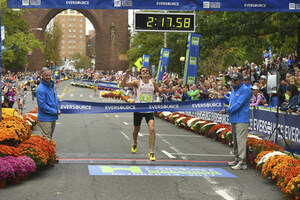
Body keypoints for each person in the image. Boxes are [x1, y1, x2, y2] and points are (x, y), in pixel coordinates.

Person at [120, 67, 164, 161]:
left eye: (146, 71)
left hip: (149, 110)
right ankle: (135, 143)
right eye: (143, 71)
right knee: (136, 130)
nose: (145, 72)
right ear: (140, 74)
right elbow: (123, 84)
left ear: (149, 74)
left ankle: (151, 152)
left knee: (152, 129)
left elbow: (159, 90)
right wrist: (126, 75)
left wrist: (166, 90)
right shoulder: (137, 82)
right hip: (138, 109)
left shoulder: (153, 83)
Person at [219, 72, 252, 170]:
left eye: (235, 80)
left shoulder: (245, 90)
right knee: (235, 140)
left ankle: (242, 163)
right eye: (233, 80)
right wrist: (223, 98)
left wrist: (227, 110)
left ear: (241, 80)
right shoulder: (234, 90)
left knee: (241, 141)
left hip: (241, 118)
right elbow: (231, 102)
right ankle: (237, 159)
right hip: (234, 118)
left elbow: (238, 104)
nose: (233, 82)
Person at [36, 67, 61, 142]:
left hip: (52, 116)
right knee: (46, 139)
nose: (48, 77)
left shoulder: (51, 84)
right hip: (45, 118)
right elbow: (42, 106)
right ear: (42, 76)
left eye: (50, 75)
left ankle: (49, 153)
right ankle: (46, 153)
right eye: (46, 75)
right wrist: (55, 111)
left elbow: (54, 97)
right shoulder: (41, 89)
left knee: (49, 138)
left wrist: (58, 101)